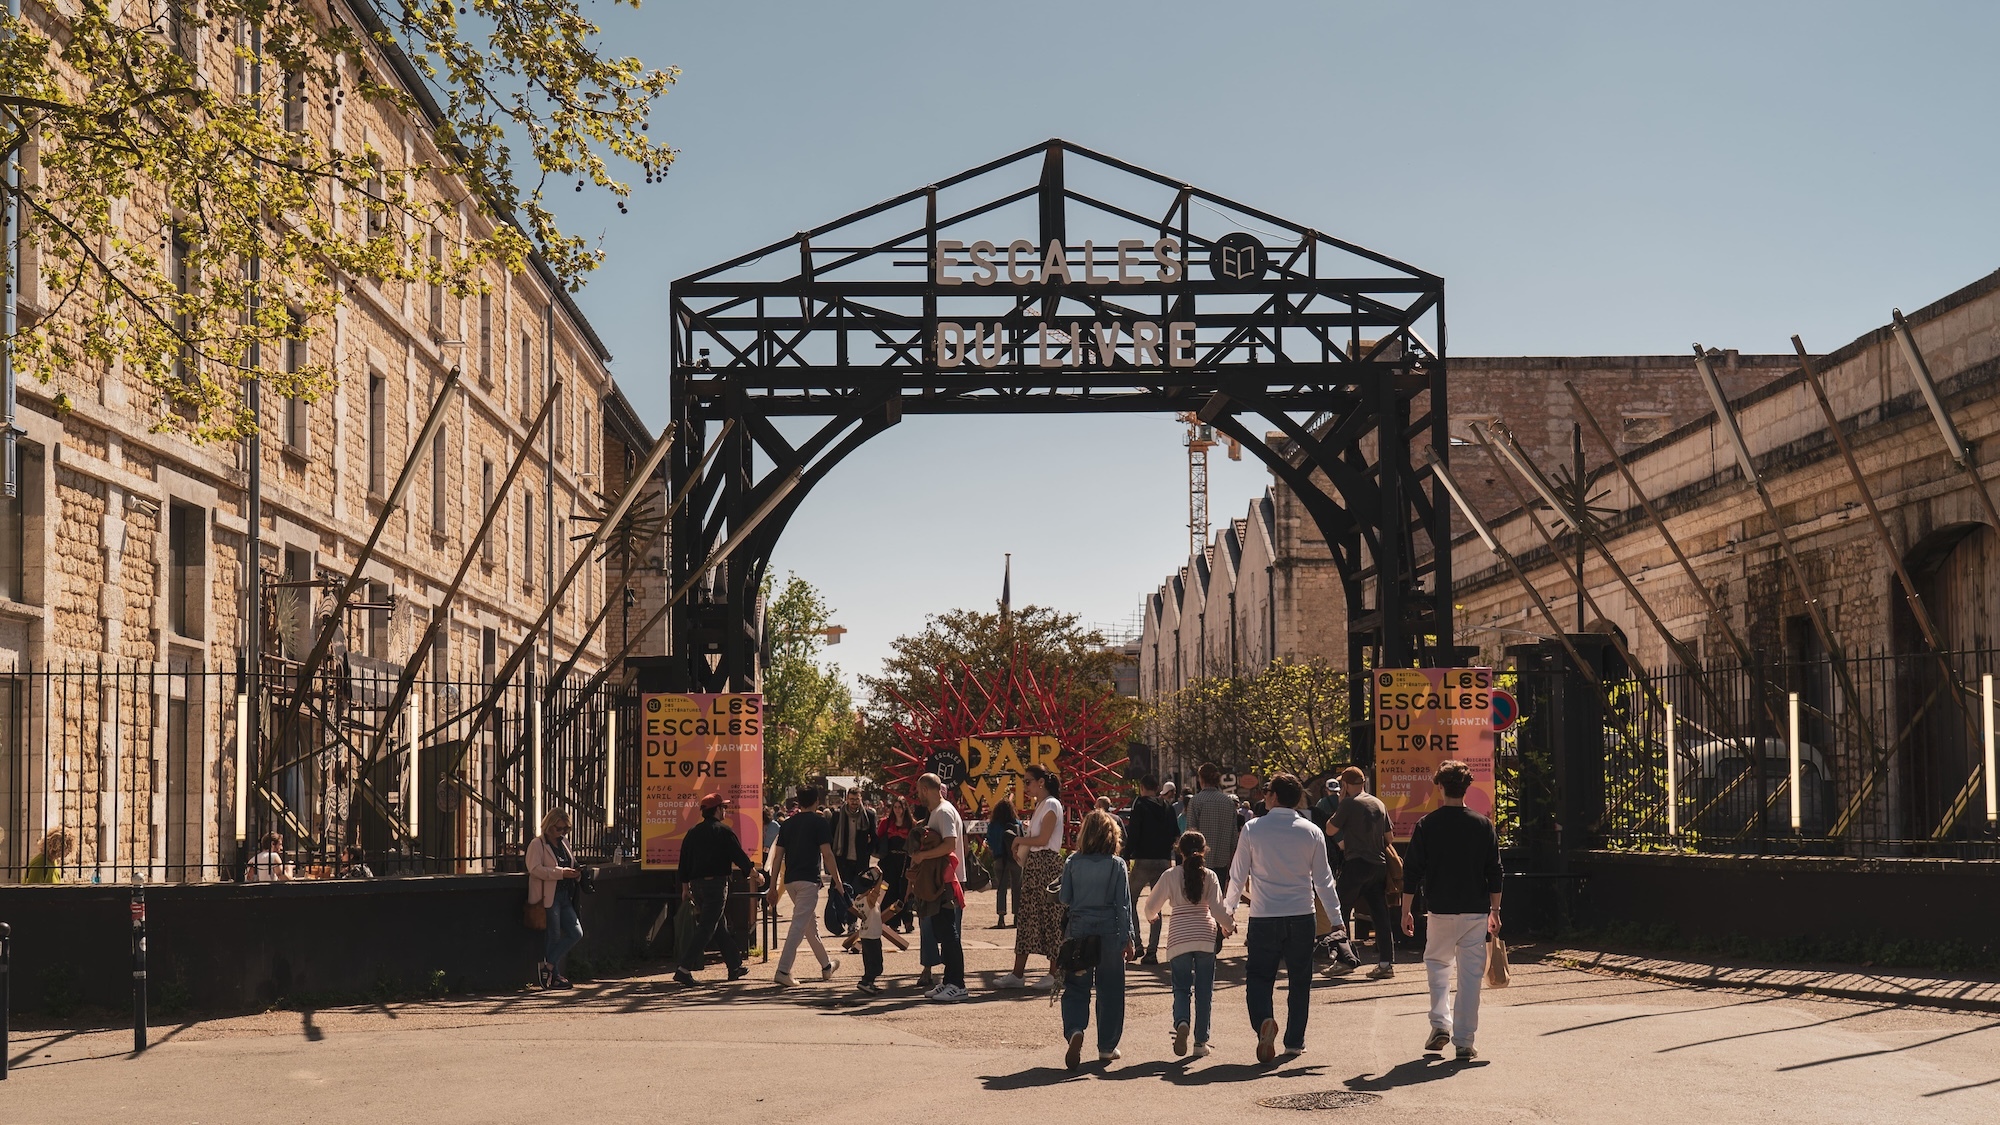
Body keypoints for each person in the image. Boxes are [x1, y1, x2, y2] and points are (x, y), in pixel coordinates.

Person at [1224, 773, 1343, 1064]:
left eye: (1267, 791)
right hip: (1302, 914)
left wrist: (1227, 912)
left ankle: (1264, 1020)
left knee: (1258, 976)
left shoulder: (1253, 828)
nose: (1264, 795)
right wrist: (1337, 919)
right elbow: (1324, 881)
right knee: (1300, 980)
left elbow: (1238, 874)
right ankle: (1294, 1042)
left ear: (1275, 796)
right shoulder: (1312, 831)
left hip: (1265, 915)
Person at [1401, 760, 1504, 1062]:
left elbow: (1412, 871)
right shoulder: (1483, 825)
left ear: (1440, 786)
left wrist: (1406, 910)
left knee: (1437, 965)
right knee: (1470, 977)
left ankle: (1439, 1024)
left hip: (1440, 909)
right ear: (1467, 786)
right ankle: (1464, 1040)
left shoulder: (1427, 825)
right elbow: (1495, 870)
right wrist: (1495, 909)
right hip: (1475, 910)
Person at [1143, 830, 1234, 1058]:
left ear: (1179, 851)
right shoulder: (1210, 876)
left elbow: (1150, 906)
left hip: (1179, 937)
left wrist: (1151, 916)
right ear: (1204, 851)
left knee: (1181, 988)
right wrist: (1228, 927)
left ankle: (1182, 1022)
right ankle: (1200, 1042)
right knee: (1204, 992)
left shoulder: (1170, 875)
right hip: (1205, 935)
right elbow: (1217, 909)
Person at [1059, 809, 1134, 1068]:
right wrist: (1129, 938)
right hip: (1110, 930)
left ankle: (1076, 1030)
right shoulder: (1117, 864)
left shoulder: (1072, 862)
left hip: (1079, 929)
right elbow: (1124, 905)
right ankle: (1106, 1046)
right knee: (1111, 989)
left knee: (1076, 986)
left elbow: (1064, 898)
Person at [675, 793, 759, 987]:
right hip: (716, 885)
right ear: (717, 810)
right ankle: (684, 969)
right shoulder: (724, 831)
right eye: (723, 808)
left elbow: (684, 864)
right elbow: (740, 857)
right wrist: (756, 875)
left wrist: (685, 888)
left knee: (718, 925)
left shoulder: (692, 833)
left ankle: (734, 965)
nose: (725, 811)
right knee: (707, 927)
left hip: (697, 886)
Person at [994, 765, 1064, 990]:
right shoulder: (1042, 805)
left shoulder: (1051, 804)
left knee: (1050, 918)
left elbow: (1044, 839)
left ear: (1041, 782)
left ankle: (1053, 972)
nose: (1026, 786)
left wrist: (1018, 841)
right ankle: (1018, 973)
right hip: (1037, 865)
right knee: (1027, 918)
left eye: (1028, 781)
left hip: (1046, 865)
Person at [766, 787, 844, 987]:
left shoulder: (788, 824)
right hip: (809, 879)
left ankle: (826, 966)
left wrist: (773, 886)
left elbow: (777, 857)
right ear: (816, 801)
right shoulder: (819, 822)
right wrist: (837, 880)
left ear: (798, 802)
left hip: (791, 880)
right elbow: (827, 854)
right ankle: (783, 969)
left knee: (809, 925)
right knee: (800, 926)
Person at [1324, 766, 1397, 980]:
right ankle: (1386, 963)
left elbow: (1330, 829)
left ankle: (1344, 960)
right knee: (1380, 914)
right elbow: (1389, 838)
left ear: (1345, 785)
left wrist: (1340, 805)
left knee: (1340, 911)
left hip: (1356, 864)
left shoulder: (1348, 803)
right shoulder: (1378, 803)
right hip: (1378, 865)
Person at [910, 773, 968, 1000]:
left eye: (919, 791)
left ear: (926, 789)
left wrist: (922, 856)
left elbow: (949, 845)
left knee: (948, 932)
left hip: (946, 881)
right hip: (941, 880)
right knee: (943, 932)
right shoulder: (939, 811)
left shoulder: (943, 812)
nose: (918, 796)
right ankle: (949, 981)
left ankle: (958, 984)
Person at [1123, 774, 1178, 964]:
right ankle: (1152, 951)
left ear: (1141, 787)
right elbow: (1175, 834)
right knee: (1157, 906)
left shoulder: (1140, 805)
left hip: (1143, 860)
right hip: (1163, 861)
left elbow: (1134, 833)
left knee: (1130, 900)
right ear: (1157, 788)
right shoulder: (1168, 807)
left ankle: (1137, 942)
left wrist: (1126, 854)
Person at [526, 810, 584, 989]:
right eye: (558, 829)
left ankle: (548, 967)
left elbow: (570, 863)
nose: (562, 833)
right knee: (554, 935)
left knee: (576, 933)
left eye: (565, 829)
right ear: (549, 825)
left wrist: (575, 873)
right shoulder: (537, 844)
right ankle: (554, 976)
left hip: (565, 895)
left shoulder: (564, 843)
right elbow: (534, 869)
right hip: (548, 896)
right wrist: (561, 873)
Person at [850, 867, 907, 994]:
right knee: (877, 964)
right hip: (872, 936)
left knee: (868, 961)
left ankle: (869, 983)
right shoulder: (870, 900)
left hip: (865, 934)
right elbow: (877, 891)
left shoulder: (858, 899)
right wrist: (880, 877)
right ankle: (865, 982)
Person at [1186, 762, 1240, 889]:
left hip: (1199, 860)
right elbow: (1233, 835)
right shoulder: (1228, 802)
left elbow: (1190, 833)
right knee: (1217, 899)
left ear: (1201, 779)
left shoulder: (1196, 801)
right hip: (1222, 860)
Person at [830, 787, 877, 931]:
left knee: (857, 895)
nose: (854, 803)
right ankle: (839, 922)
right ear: (847, 799)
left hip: (860, 862)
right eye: (851, 799)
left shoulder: (868, 815)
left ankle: (852, 923)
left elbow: (874, 838)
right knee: (841, 892)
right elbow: (831, 837)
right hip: (842, 860)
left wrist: (867, 852)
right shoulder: (838, 815)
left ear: (861, 799)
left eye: (856, 800)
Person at [876, 796, 915, 933]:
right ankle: (891, 922)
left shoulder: (911, 824)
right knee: (889, 891)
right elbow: (878, 838)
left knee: (905, 891)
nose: (898, 810)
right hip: (890, 860)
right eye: (896, 807)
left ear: (905, 808)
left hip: (905, 860)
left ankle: (908, 920)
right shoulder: (886, 823)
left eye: (900, 807)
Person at [986, 799, 1022, 928]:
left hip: (999, 859)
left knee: (1001, 889)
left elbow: (989, 841)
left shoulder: (993, 825)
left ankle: (1001, 918)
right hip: (1015, 858)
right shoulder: (1016, 823)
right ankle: (1017, 917)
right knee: (1016, 888)